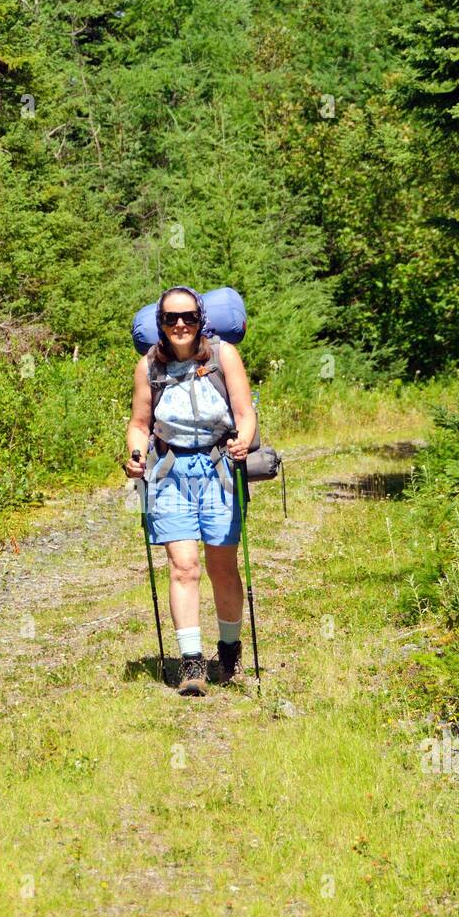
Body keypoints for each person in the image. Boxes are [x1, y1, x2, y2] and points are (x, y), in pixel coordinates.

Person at [125, 286, 257, 696]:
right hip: (168, 470)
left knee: (222, 567)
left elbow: (244, 412)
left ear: (201, 318)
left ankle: (229, 649)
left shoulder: (224, 356)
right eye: (170, 318)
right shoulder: (148, 366)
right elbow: (140, 423)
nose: (179, 324)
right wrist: (134, 453)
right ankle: (192, 664)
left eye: (187, 317)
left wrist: (244, 440)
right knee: (183, 566)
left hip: (218, 466)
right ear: (160, 324)